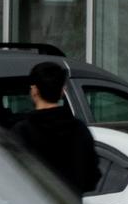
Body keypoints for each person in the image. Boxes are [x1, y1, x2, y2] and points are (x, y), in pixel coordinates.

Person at [11, 61, 99, 194]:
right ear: (62, 91)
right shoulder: (79, 130)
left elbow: (8, 181)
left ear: (34, 90)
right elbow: (91, 178)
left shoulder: (22, 132)